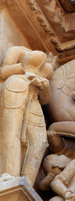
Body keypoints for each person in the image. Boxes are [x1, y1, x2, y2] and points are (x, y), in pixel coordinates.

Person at [0, 46, 53, 185]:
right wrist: (28, 72)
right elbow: (4, 71)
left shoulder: (47, 67)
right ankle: (9, 175)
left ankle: (27, 183)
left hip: (34, 99)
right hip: (15, 87)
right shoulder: (17, 50)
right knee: (12, 132)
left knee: (40, 141)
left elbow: (46, 99)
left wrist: (44, 86)